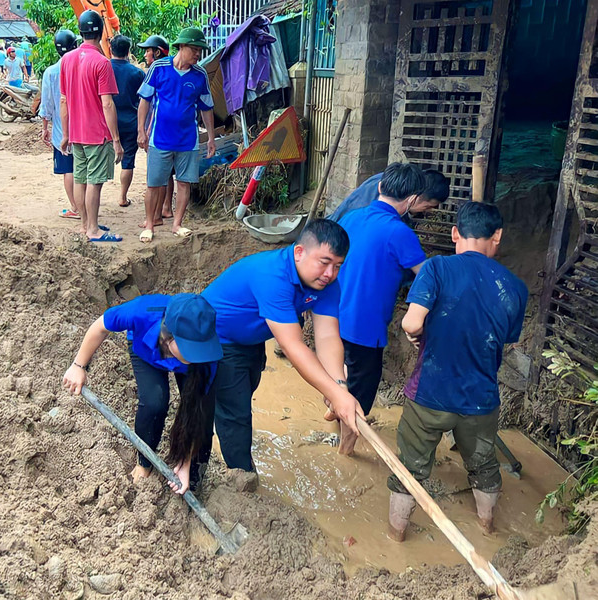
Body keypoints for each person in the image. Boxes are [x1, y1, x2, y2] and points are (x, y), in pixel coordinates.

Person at [387, 202, 527, 542]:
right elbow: (505, 342)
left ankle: (395, 537)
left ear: (454, 234)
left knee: (410, 468)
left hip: (429, 395)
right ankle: (487, 528)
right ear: (497, 236)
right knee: (483, 467)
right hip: (480, 400)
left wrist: (412, 331)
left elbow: (412, 321)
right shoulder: (515, 287)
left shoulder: (436, 268)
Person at [201, 220, 364, 472]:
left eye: (338, 266)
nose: (330, 273)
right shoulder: (272, 276)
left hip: (252, 339)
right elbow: (292, 346)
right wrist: (336, 395)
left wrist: (339, 386)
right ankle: (242, 476)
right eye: (324, 262)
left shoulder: (326, 284)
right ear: (299, 252)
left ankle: (220, 414)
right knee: (236, 412)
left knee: (244, 391)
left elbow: (327, 337)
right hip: (216, 338)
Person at [63, 293, 222, 493]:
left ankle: (194, 478)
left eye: (200, 349)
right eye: (190, 349)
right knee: (155, 402)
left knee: (204, 420)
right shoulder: (141, 312)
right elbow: (100, 326)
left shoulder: (205, 358)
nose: (196, 354)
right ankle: (144, 462)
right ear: (170, 334)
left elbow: (195, 412)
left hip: (193, 371)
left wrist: (185, 462)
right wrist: (78, 366)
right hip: (146, 354)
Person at [329, 163, 428, 455]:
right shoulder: (400, 233)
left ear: (381, 187)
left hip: (334, 317)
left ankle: (332, 410)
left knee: (342, 370)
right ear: (411, 200)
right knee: (361, 392)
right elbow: (426, 278)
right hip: (365, 326)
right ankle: (345, 451)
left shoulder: (352, 217)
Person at [137, 27, 216, 242]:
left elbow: (206, 108)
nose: (198, 54)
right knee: (154, 184)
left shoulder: (200, 75)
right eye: (194, 49)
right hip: (159, 139)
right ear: (181, 47)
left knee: (184, 183)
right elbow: (145, 101)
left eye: (200, 50)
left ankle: (177, 224)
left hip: (187, 140)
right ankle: (150, 225)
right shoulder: (159, 68)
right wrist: (141, 131)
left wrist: (210, 138)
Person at [60, 9, 124, 243]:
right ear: (102, 33)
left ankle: (85, 225)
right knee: (94, 183)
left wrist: (66, 133)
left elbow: (64, 100)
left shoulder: (66, 60)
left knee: (80, 179)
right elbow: (107, 104)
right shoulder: (102, 63)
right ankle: (93, 229)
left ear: (80, 31)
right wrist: (116, 140)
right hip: (97, 134)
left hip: (76, 132)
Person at [136, 35, 175, 230]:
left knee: (156, 175)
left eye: (147, 50)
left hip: (157, 131)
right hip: (169, 132)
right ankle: (166, 208)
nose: (145, 54)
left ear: (157, 52)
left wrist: (143, 130)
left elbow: (147, 103)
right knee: (167, 173)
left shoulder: (156, 69)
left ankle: (156, 215)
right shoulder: (172, 67)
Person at [40, 30, 79, 220]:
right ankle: (85, 204)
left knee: (67, 169)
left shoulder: (51, 72)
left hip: (60, 130)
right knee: (82, 169)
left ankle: (75, 207)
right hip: (83, 128)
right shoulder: (81, 67)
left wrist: (44, 127)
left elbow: (46, 103)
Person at [329, 169, 449, 223]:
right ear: (414, 198)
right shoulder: (367, 214)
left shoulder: (393, 185)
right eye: (428, 206)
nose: (428, 211)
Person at [110, 35, 146, 209]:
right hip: (131, 122)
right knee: (128, 161)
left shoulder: (104, 68)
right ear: (128, 51)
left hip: (107, 123)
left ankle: (93, 196)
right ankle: (122, 197)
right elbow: (144, 100)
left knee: (101, 159)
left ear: (111, 49)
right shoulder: (137, 73)